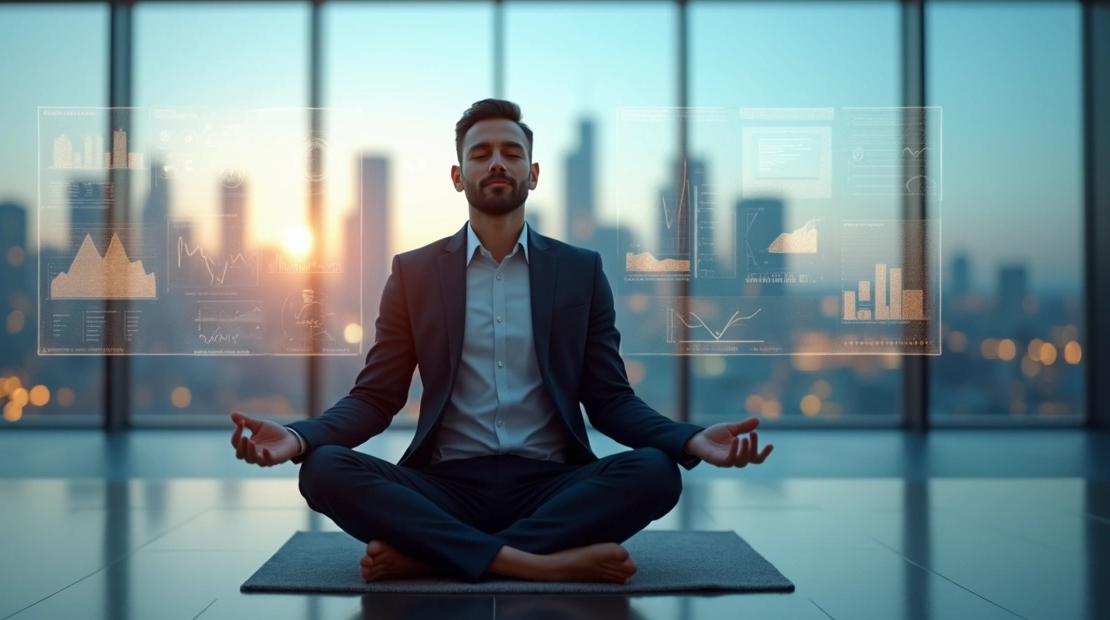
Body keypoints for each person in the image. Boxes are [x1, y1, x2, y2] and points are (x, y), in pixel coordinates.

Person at [230, 98, 773, 585]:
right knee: (323, 470)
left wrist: (691, 440)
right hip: (444, 486)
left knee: (656, 472)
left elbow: (610, 400)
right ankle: (537, 563)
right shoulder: (413, 273)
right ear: (457, 174)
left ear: (533, 174)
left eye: (511, 153)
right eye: (481, 152)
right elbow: (376, 398)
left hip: (550, 484)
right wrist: (300, 439)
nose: (496, 162)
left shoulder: (580, 271)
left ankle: (432, 558)